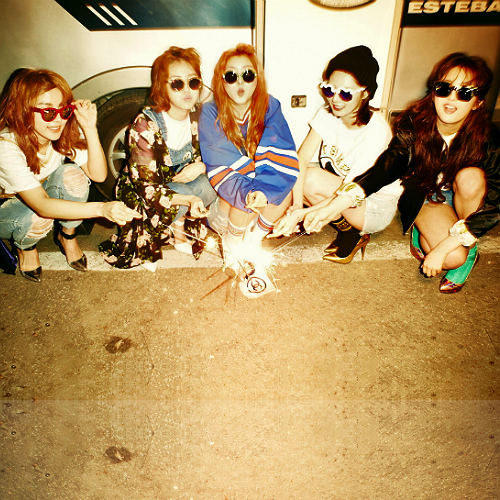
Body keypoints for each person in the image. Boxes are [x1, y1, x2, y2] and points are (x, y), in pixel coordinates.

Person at [302, 52, 499, 293]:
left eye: (465, 93)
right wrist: (335, 206)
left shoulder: (489, 140)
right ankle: (426, 229)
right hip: (428, 198)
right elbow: (387, 166)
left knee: (471, 179)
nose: (451, 99)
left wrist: (445, 246)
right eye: (444, 88)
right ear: (434, 91)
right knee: (448, 257)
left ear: (478, 102)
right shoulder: (414, 124)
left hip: (468, 200)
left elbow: (495, 204)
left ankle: (470, 247)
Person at [0, 68, 140, 282]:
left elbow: (98, 175)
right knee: (39, 217)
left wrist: (90, 128)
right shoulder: (6, 146)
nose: (58, 119)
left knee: (73, 176)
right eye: (48, 112)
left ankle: (67, 236)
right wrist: (102, 209)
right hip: (6, 208)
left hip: (39, 193)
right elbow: (42, 205)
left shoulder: (61, 130)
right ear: (22, 111)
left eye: (64, 110)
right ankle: (25, 247)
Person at [270, 45, 403, 263]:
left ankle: (354, 232)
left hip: (373, 204)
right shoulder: (327, 114)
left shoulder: (376, 132)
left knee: (311, 180)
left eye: (346, 93)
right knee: (301, 178)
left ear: (365, 93)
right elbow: (301, 160)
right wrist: (296, 206)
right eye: (329, 90)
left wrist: (301, 214)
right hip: (345, 191)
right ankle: (347, 228)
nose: (335, 99)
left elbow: (351, 192)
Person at [99, 46, 217, 270]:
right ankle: (148, 240)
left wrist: (202, 166)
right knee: (185, 192)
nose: (187, 90)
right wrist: (189, 200)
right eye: (177, 83)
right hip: (144, 193)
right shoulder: (145, 125)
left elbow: (222, 156)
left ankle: (178, 231)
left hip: (178, 183)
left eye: (193, 82)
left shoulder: (200, 116)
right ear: (162, 87)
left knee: (211, 183)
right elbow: (147, 189)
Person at [199, 43, 299, 297]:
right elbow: (221, 162)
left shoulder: (270, 106)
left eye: (248, 74)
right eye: (231, 76)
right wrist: (253, 191)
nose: (240, 82)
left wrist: (265, 190)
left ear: (257, 78)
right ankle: (231, 245)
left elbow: (280, 150)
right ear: (222, 81)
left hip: (257, 201)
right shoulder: (210, 112)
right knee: (244, 198)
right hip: (226, 209)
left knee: (283, 190)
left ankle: (253, 242)